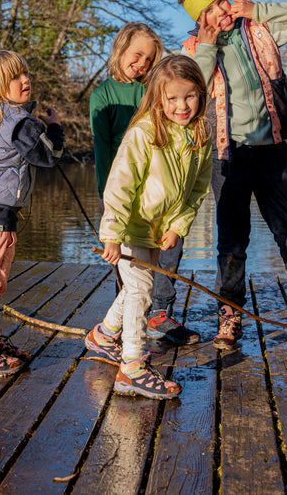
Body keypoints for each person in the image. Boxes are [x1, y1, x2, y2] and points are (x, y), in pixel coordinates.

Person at [177, 0, 287, 350]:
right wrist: (209, 45)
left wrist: (258, 8)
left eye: (221, 2)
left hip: (271, 151)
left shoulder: (258, 30)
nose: (220, 12)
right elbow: (192, 86)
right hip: (227, 155)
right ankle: (230, 315)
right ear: (199, 19)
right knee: (232, 241)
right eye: (209, 10)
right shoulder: (192, 49)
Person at [85, 55, 213, 399]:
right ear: (158, 98)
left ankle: (104, 333)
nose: (182, 105)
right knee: (142, 292)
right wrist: (111, 234)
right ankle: (132, 368)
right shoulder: (143, 133)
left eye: (189, 96)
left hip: (159, 230)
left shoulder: (199, 135)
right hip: (129, 227)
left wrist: (178, 226)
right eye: (172, 98)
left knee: (135, 287)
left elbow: (198, 188)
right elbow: (120, 186)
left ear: (201, 93)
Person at [0, 50, 65, 377]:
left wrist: (21, 111)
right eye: (15, 77)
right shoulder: (19, 124)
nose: (25, 80)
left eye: (25, 74)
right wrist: (55, 126)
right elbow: (49, 155)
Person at [89, 23, 199, 345]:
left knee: (167, 255)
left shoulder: (153, 89)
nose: (142, 65)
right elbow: (103, 149)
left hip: (159, 194)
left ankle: (159, 316)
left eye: (150, 60)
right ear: (121, 49)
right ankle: (124, 330)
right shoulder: (102, 95)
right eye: (137, 55)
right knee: (130, 268)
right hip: (121, 194)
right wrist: (107, 202)